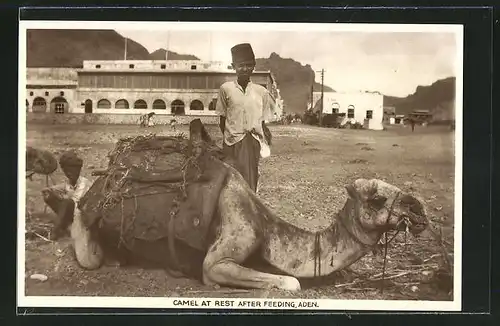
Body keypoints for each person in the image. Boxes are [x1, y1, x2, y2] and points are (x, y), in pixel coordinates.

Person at [215, 43, 274, 192]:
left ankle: (250, 208)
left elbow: (262, 121)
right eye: (241, 65)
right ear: (233, 66)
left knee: (250, 178)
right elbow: (222, 118)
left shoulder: (262, 92)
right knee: (230, 178)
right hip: (231, 142)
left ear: (253, 66)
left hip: (252, 142)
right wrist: (229, 138)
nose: (245, 69)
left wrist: (261, 140)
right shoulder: (225, 89)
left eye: (249, 65)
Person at [41, 150, 92, 240]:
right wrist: (49, 191)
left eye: (72, 172)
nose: (69, 174)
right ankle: (65, 224)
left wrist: (60, 197)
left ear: (78, 171)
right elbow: (54, 189)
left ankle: (57, 230)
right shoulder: (68, 183)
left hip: (81, 216)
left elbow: (76, 203)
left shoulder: (84, 184)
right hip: (71, 214)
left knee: (67, 203)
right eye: (67, 172)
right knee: (49, 196)